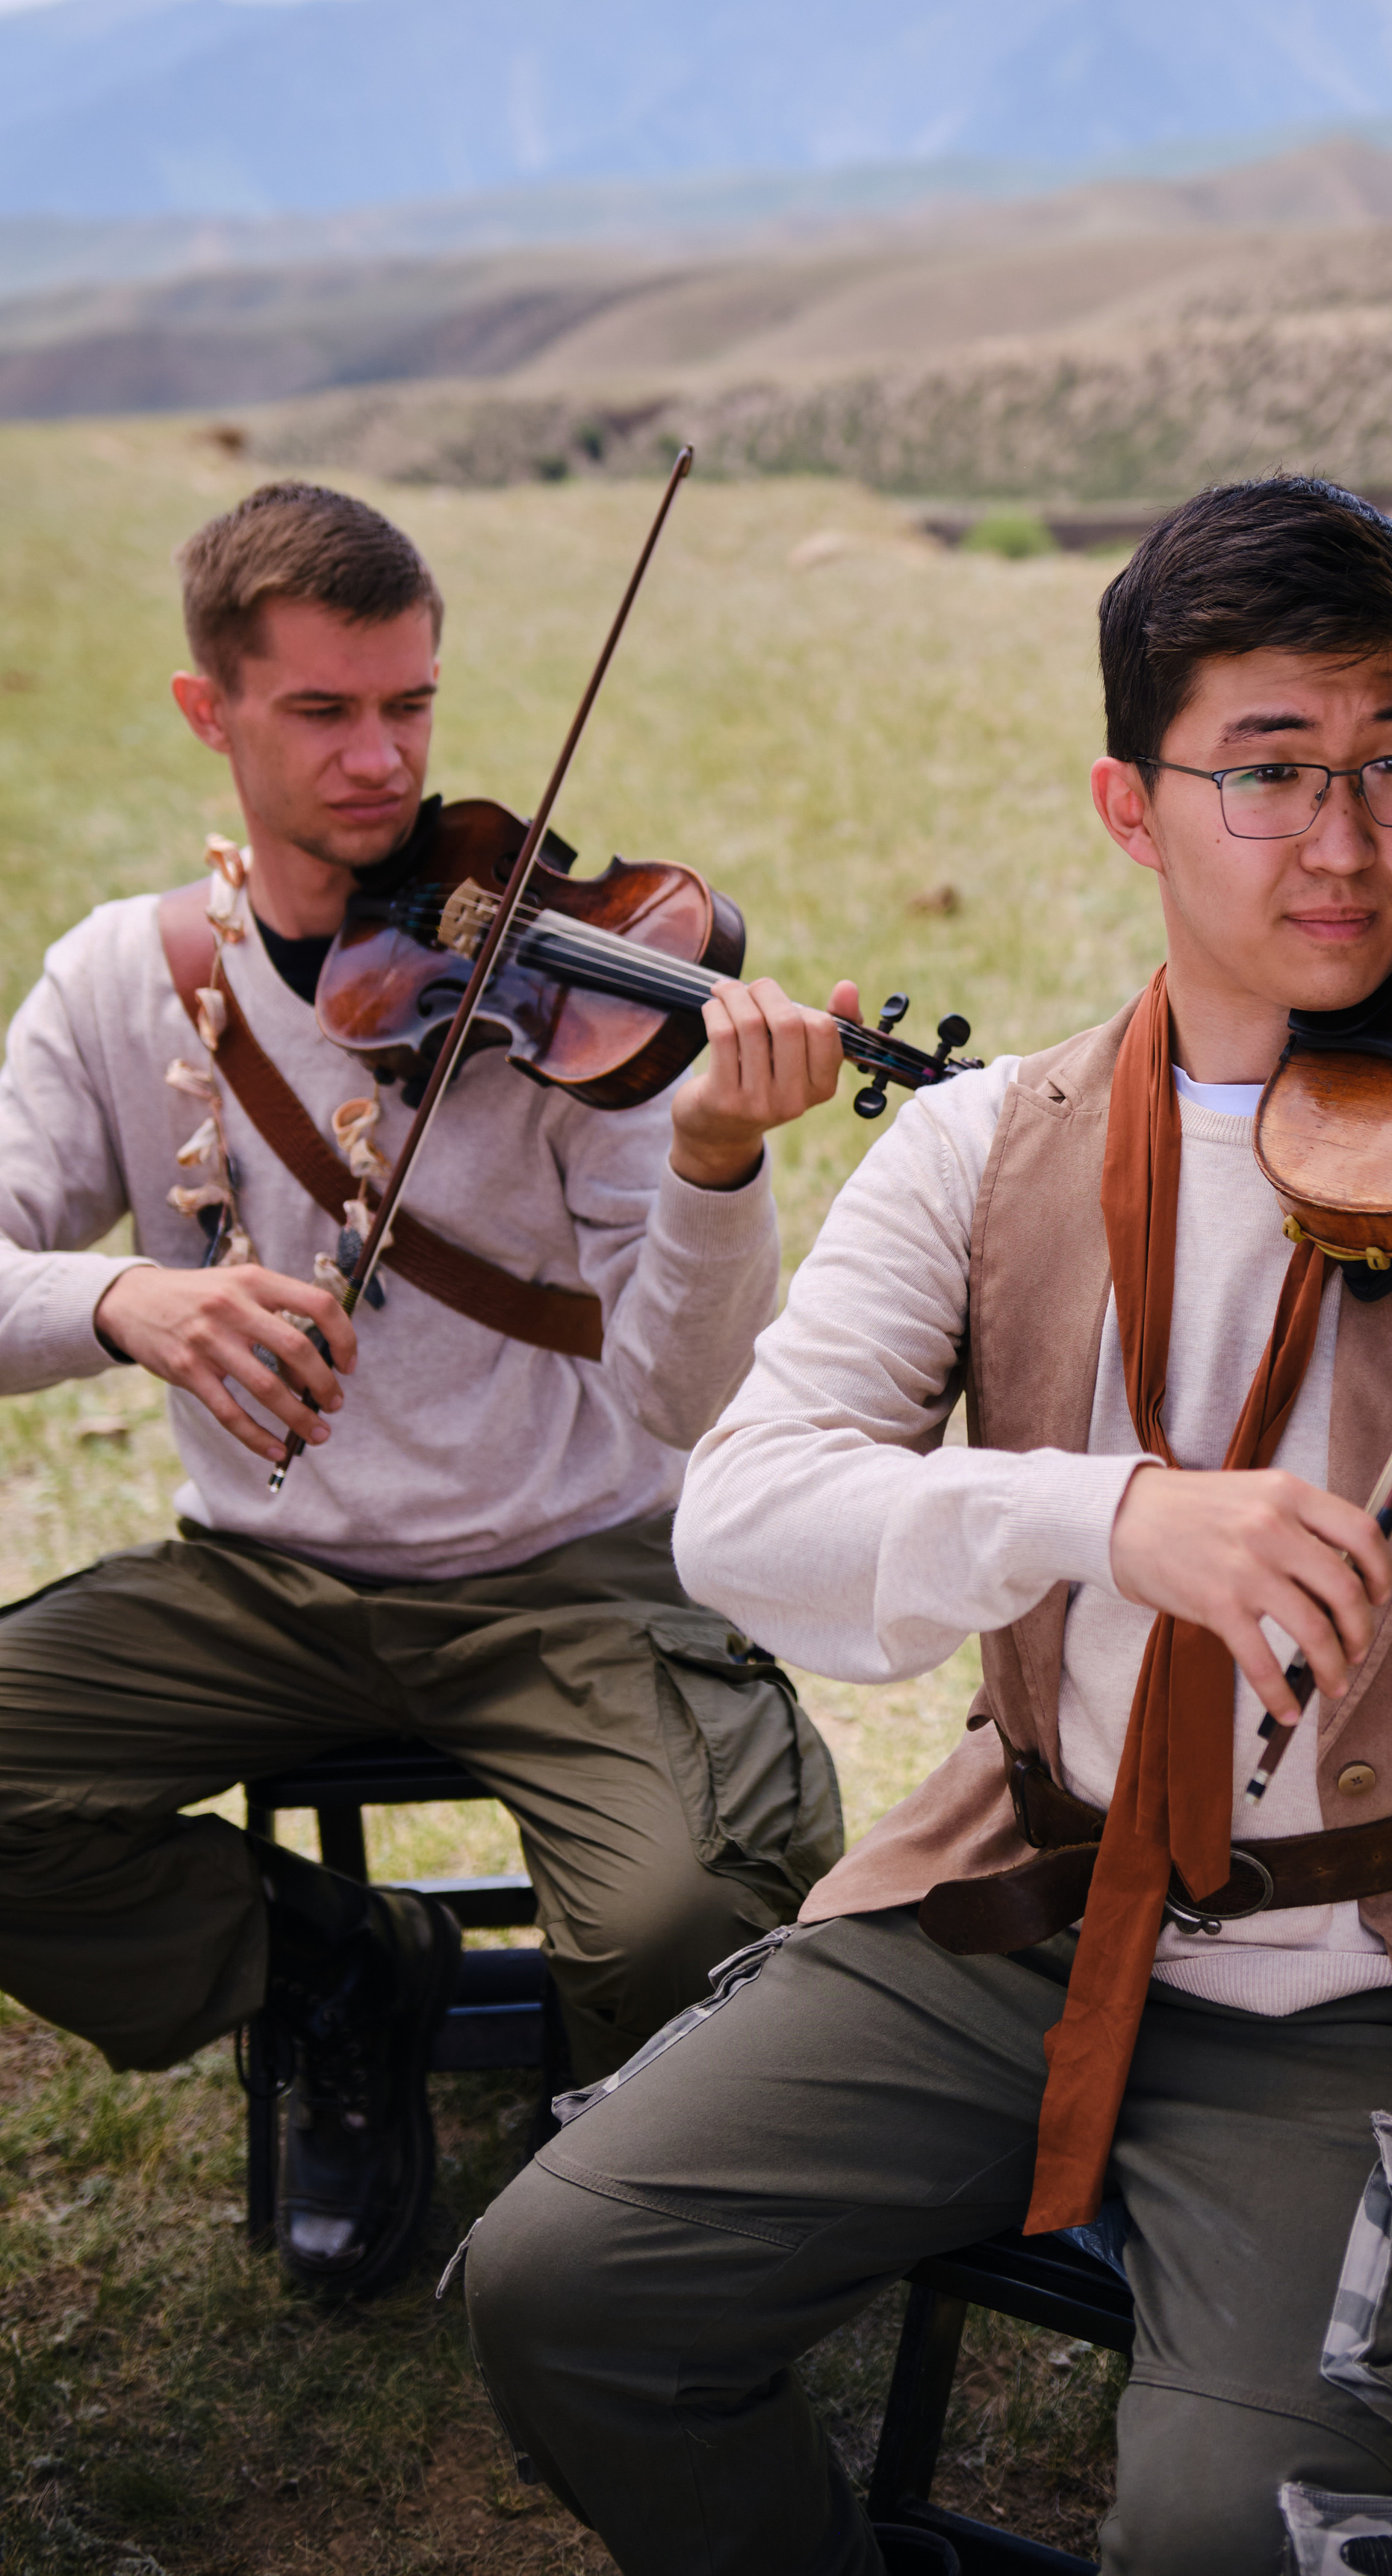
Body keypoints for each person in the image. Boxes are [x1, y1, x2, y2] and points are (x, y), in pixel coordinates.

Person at [457, 477, 1392, 2576]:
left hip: (1391, 1983)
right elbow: (747, 1519)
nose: (1347, 842)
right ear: (1129, 808)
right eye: (1270, 771)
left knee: (1235, 2528)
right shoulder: (982, 1145)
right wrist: (1113, 1516)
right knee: (563, 2291)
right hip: (1022, 1908)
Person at [0, 480, 854, 2303]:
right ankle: (331, 1969)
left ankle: (624, 2201)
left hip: (569, 1572)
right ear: (207, 709)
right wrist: (122, 1297)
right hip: (263, 1582)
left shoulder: (573, 1000)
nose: (382, 761)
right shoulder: (121, 981)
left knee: (697, 1900)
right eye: (322, 711)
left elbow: (687, 1390)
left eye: (410, 705)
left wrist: (715, 1164)